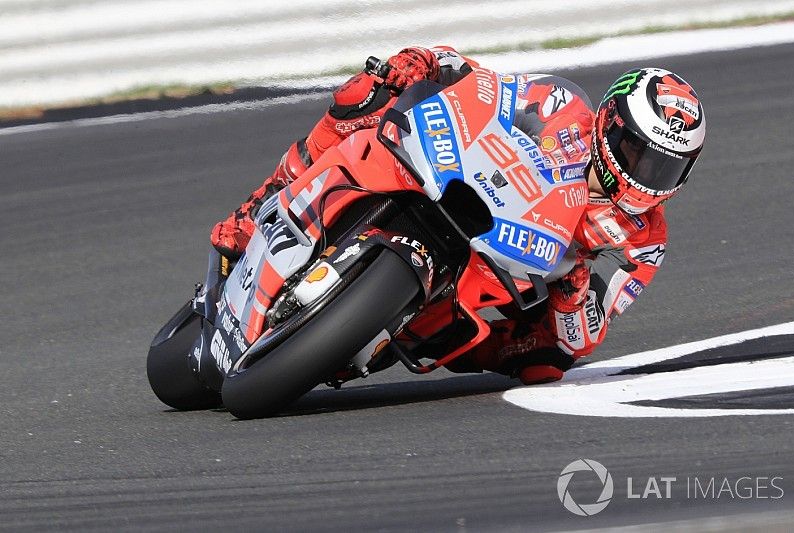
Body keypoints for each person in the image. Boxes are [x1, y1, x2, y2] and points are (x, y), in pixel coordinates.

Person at [210, 46, 706, 385]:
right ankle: (258, 206)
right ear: (609, 124)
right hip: (473, 185)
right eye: (639, 153)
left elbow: (586, 336)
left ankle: (412, 335)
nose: (645, 176)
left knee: (551, 361)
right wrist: (422, 62)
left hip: (518, 272)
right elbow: (485, 86)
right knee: (364, 95)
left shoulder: (645, 240)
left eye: (666, 167)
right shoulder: (563, 107)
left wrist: (574, 293)